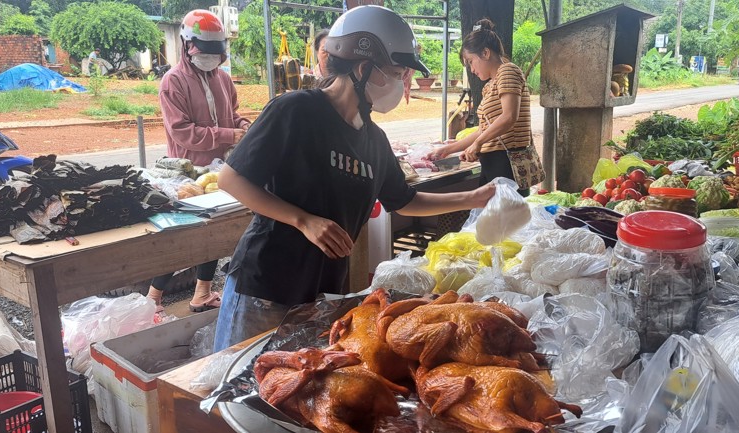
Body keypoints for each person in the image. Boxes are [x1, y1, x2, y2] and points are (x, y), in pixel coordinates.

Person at [212, 5, 496, 351]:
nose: (402, 83)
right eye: (397, 72)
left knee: (297, 392)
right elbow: (232, 179)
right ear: (364, 68)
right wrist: (303, 220)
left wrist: (473, 198)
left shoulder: (374, 140)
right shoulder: (296, 110)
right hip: (267, 287)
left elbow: (404, 199)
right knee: (237, 388)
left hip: (323, 293)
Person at [151, 9, 253, 313]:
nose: (209, 58)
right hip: (188, 174)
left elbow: (232, 114)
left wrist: (243, 125)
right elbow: (182, 133)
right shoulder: (173, 82)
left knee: (214, 234)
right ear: (186, 45)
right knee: (183, 241)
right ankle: (153, 298)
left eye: (215, 52)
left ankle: (203, 293)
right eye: (203, 52)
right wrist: (228, 135)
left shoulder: (223, 79)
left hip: (220, 171)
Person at [428, 19, 534, 196]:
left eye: (470, 61)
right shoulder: (489, 86)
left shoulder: (508, 72)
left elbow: (509, 117)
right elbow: (484, 130)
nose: (471, 69)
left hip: (507, 163)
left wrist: (478, 144)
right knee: (490, 219)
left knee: (507, 220)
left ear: (485, 53)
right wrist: (447, 150)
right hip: (492, 163)